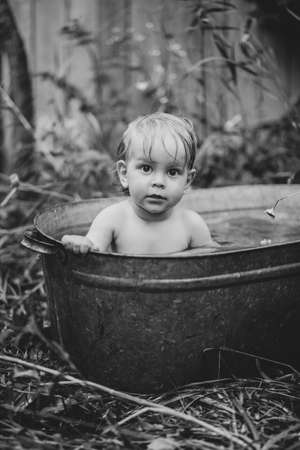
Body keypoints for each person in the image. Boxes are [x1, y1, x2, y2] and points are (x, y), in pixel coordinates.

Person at [62, 112, 216, 255]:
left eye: (172, 172)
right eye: (146, 168)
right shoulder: (113, 218)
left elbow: (215, 261)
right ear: (124, 174)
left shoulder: (192, 224)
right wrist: (82, 245)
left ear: (187, 180)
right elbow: (93, 251)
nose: (159, 182)